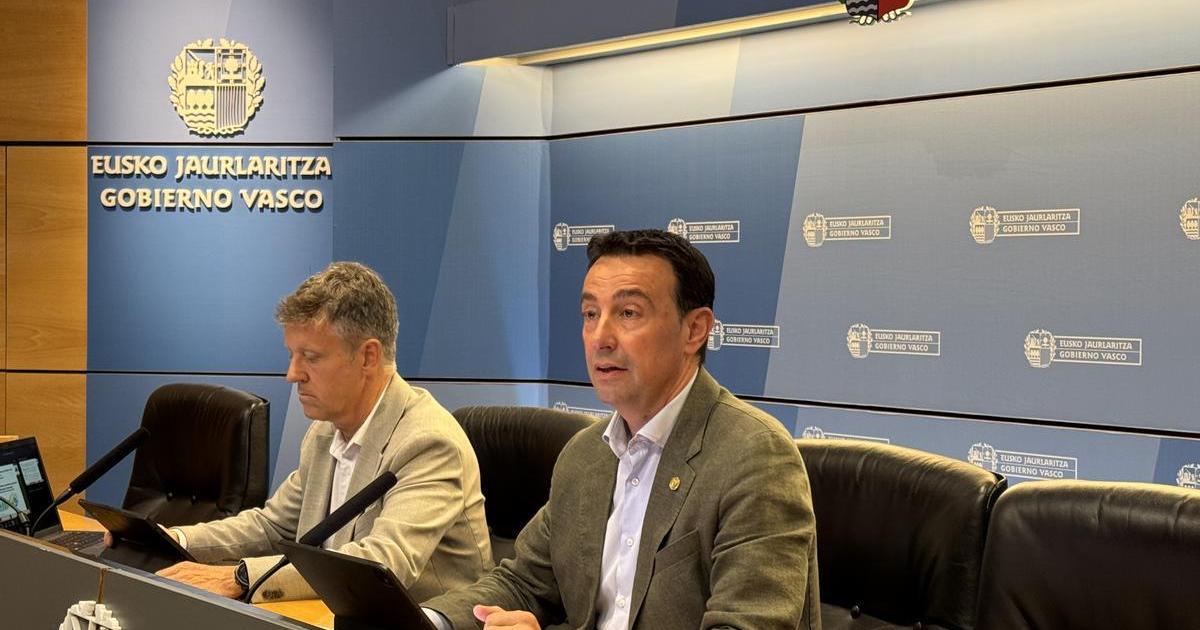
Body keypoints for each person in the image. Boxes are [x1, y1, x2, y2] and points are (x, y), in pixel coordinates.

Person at [424, 230, 821, 629]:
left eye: (628, 313)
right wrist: (428, 620)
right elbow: (523, 583)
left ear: (695, 330)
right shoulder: (585, 455)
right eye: (590, 314)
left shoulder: (755, 457)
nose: (600, 338)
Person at [133, 261, 493, 602]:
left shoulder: (428, 442)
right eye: (292, 355)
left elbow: (381, 563)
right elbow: (273, 527)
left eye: (311, 357)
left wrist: (241, 577)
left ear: (368, 357)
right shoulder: (325, 432)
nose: (292, 374)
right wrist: (173, 538)